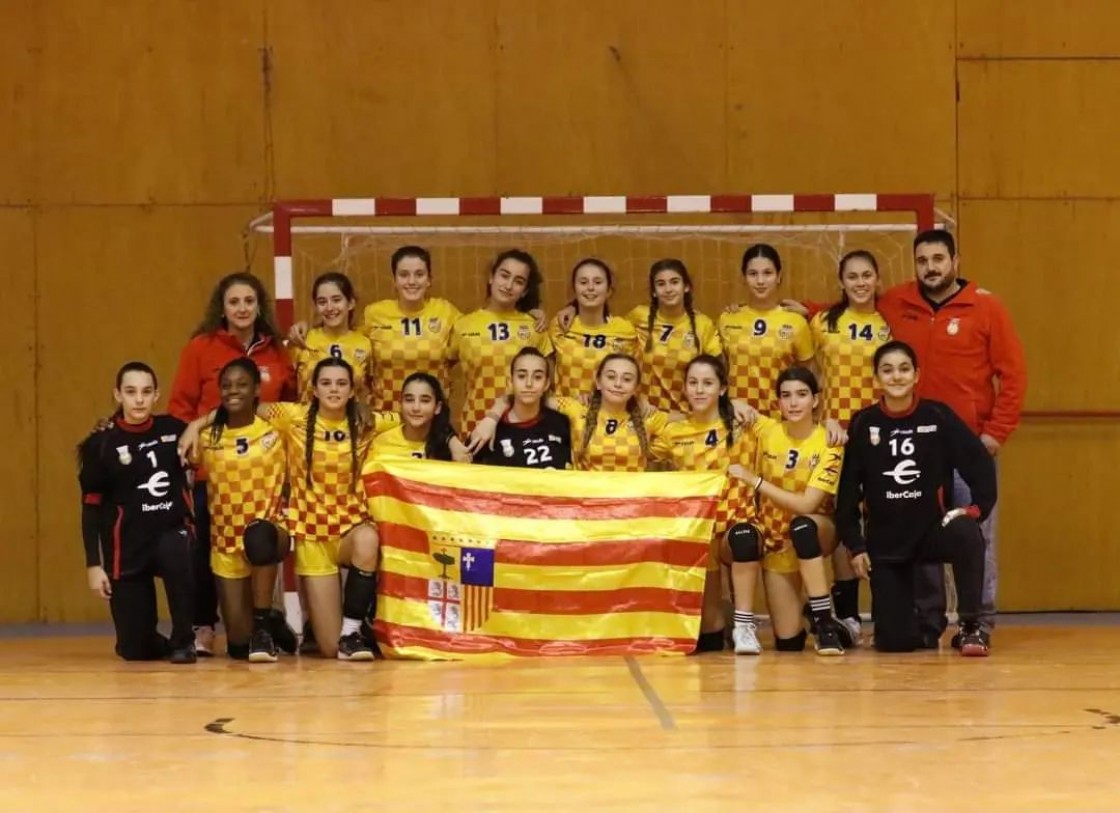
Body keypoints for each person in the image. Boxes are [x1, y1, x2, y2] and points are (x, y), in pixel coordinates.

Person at [180, 358, 394, 661]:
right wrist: (196, 423)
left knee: (369, 539)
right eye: (326, 383)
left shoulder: (368, 420)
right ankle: (278, 627)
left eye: (341, 383)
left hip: (349, 530)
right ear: (314, 390)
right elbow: (241, 405)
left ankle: (354, 631)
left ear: (352, 390)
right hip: (310, 535)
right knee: (312, 648)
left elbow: (414, 418)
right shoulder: (292, 417)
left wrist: (451, 440)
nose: (334, 389)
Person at [877, 230, 1026, 648]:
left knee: (973, 535)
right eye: (922, 260)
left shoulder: (986, 306)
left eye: (938, 258)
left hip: (968, 449)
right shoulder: (896, 302)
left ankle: (976, 623)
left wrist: (995, 433)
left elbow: (1013, 374)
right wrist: (809, 309)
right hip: (915, 448)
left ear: (956, 261)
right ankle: (928, 622)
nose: (930, 267)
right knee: (919, 533)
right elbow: (850, 308)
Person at [836, 341, 996, 656]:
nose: (896, 377)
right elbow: (847, 494)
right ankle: (915, 622)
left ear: (916, 375)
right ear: (876, 379)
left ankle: (971, 627)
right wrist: (856, 546)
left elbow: (979, 463)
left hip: (931, 533)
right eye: (888, 370)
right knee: (895, 643)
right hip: (887, 543)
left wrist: (975, 510)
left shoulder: (938, 416)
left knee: (966, 532)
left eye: (904, 369)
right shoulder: (864, 423)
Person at [168, 271, 296, 657]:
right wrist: (192, 437)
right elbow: (180, 407)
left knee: (261, 542)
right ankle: (205, 625)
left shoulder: (277, 351)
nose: (242, 308)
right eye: (234, 302)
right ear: (221, 309)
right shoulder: (201, 348)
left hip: (267, 480)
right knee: (204, 548)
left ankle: (265, 617)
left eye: (249, 301)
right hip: (216, 473)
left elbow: (289, 407)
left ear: (260, 306)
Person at [78, 362, 196, 664]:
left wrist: (197, 426)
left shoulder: (174, 430)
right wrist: (94, 564)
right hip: (127, 546)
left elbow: (214, 429)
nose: (139, 400)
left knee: (176, 548)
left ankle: (186, 639)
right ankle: (149, 639)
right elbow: (90, 507)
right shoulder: (100, 444)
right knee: (134, 651)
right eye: (131, 392)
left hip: (171, 532)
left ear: (157, 394)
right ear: (118, 395)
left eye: (146, 392)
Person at [728, 367, 848, 655]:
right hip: (775, 539)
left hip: (816, 530)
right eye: (786, 396)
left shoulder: (829, 441)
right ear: (777, 402)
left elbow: (807, 504)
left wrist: (754, 481)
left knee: (803, 526)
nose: (793, 403)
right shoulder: (767, 430)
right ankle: (815, 619)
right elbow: (722, 402)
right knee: (788, 643)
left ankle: (825, 624)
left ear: (816, 400)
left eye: (802, 395)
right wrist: (735, 402)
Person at [809, 249, 891, 635]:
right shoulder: (823, 322)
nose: (860, 283)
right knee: (841, 519)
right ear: (841, 283)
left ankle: (885, 605)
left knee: (877, 519)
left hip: (877, 433)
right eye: (852, 276)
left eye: (866, 275)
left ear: (877, 279)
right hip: (834, 433)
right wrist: (820, 417)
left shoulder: (887, 323)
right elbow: (810, 374)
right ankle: (847, 613)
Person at [651, 355, 757, 653]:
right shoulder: (674, 433)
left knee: (744, 540)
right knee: (708, 639)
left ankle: (745, 625)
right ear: (684, 388)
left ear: (722, 389)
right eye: (693, 383)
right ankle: (720, 614)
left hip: (736, 526)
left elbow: (790, 425)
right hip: (700, 533)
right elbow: (639, 451)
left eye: (708, 383)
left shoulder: (744, 423)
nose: (699, 390)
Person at [195, 359, 289, 663]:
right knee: (238, 646)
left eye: (242, 384)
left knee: (260, 535)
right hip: (226, 542)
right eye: (226, 385)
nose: (233, 391)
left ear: (257, 390)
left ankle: (263, 625)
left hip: (269, 533)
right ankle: (269, 619)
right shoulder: (207, 437)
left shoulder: (277, 428)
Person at [449, 250, 553, 432]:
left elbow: (549, 386)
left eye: (518, 281)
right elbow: (441, 369)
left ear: (524, 291)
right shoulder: (462, 325)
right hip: (475, 427)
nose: (509, 285)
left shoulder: (535, 328)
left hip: (524, 431)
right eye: (504, 276)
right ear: (491, 277)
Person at [357, 246, 461, 411]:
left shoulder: (446, 312)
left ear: (429, 280)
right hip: (386, 417)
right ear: (394, 280)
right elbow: (348, 342)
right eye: (404, 275)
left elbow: (471, 337)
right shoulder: (374, 313)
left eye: (419, 274)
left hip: (432, 418)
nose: (411, 281)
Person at [718, 244, 815, 416]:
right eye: (753, 274)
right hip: (737, 420)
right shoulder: (727, 318)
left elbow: (809, 379)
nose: (760, 281)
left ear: (779, 276)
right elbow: (718, 374)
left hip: (779, 423)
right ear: (744, 278)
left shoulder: (796, 322)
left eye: (767, 273)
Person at [628, 259, 722, 413]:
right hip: (647, 417)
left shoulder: (703, 324)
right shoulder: (638, 316)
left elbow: (719, 373)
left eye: (674, 282)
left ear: (686, 287)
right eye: (661, 284)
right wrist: (573, 307)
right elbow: (607, 327)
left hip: (686, 418)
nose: (668, 289)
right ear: (654, 291)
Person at [548, 259, 639, 400]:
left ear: (609, 290)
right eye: (583, 282)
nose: (590, 288)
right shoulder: (560, 325)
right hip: (566, 415)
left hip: (609, 415)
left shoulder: (626, 330)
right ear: (574, 289)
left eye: (597, 282)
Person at [473, 348, 572, 469]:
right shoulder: (490, 430)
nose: (529, 383)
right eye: (521, 376)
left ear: (546, 384)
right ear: (510, 382)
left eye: (537, 377)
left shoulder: (561, 423)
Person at [292, 272, 374, 402]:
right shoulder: (303, 340)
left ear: (351, 303)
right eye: (322, 302)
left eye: (336, 300)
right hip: (308, 420)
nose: (329, 308)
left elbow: (370, 390)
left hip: (350, 420)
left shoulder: (365, 344)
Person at [367, 372, 460, 462]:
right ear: (400, 404)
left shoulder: (451, 447)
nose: (416, 408)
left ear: (437, 407)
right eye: (409, 400)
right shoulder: (382, 444)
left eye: (425, 401)